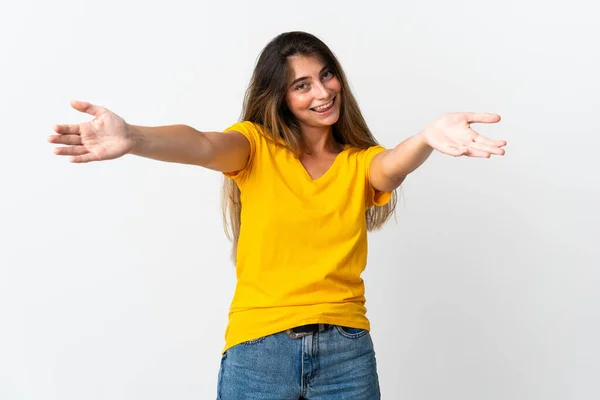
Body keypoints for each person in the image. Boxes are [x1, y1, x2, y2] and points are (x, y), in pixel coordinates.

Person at [49, 31, 506, 400]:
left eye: (326, 76)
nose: (322, 91)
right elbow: (203, 144)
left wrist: (426, 137)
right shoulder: (255, 148)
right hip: (258, 352)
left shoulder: (359, 164)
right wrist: (135, 136)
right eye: (301, 85)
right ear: (281, 97)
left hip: (346, 353)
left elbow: (392, 165)